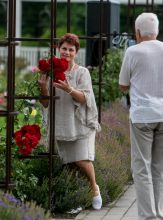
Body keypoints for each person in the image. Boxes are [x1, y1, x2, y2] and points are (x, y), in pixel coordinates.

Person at [119, 13, 163, 220]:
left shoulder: (132, 52)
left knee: (142, 168)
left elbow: (122, 85)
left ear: (138, 33)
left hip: (143, 116)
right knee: (161, 168)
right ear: (156, 32)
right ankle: (159, 214)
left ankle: (149, 217)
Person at [38, 33, 102, 210]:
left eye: (71, 49)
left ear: (76, 52)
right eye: (64, 48)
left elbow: (85, 99)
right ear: (58, 50)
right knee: (69, 164)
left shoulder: (82, 72)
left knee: (82, 160)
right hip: (61, 123)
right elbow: (44, 103)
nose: (67, 52)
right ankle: (75, 199)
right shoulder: (50, 72)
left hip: (79, 123)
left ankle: (94, 188)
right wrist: (43, 87)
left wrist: (69, 89)